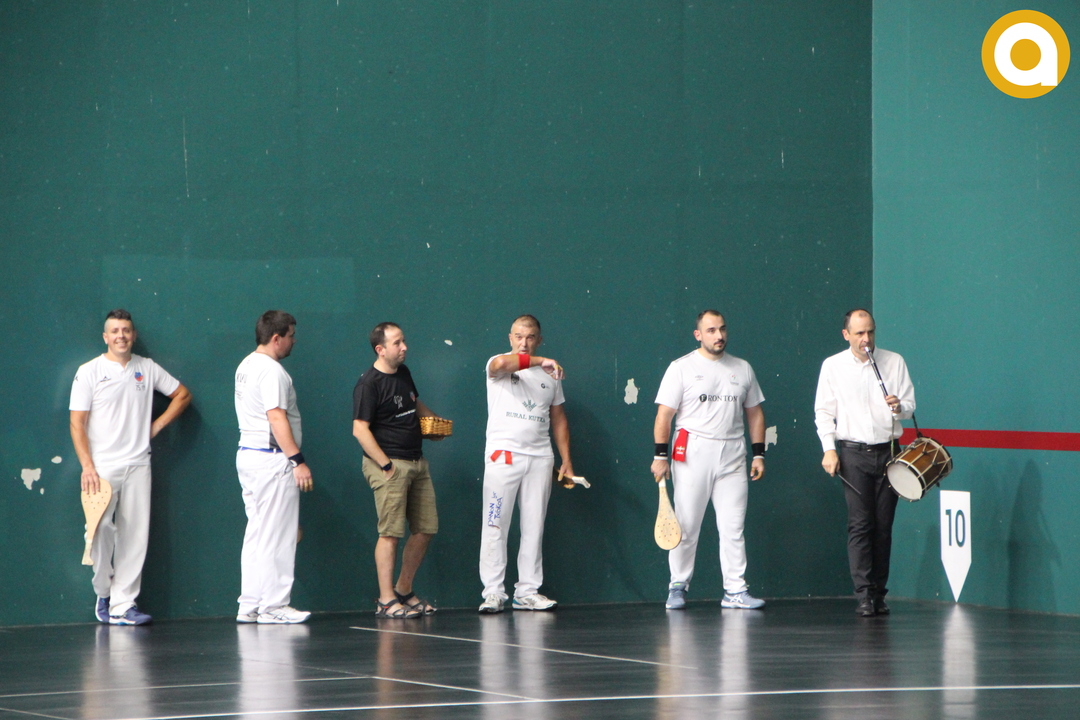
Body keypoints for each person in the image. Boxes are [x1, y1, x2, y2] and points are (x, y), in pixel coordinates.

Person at [70, 309, 192, 625]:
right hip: (101, 468)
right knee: (99, 532)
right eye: (115, 331)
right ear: (105, 337)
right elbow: (77, 422)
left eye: (126, 330)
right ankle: (104, 591)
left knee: (135, 536)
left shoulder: (146, 368)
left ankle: (123, 605)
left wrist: (156, 426)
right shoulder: (89, 371)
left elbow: (182, 395)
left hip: (139, 464)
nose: (121, 336)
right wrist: (87, 466)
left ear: (133, 335)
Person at [650, 310, 767, 611]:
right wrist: (660, 456)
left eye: (722, 329)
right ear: (698, 335)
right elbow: (664, 415)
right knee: (687, 525)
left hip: (733, 454)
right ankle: (677, 585)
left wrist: (759, 454)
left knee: (733, 527)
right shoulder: (681, 368)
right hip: (692, 453)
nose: (719, 335)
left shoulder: (742, 368)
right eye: (711, 330)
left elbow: (754, 413)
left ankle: (735, 590)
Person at [814, 308, 915, 616]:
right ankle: (863, 595)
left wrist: (899, 406)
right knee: (860, 524)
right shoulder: (833, 366)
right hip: (853, 453)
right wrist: (829, 449)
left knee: (883, 526)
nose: (866, 339)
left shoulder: (894, 361)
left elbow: (910, 407)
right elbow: (823, 412)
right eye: (859, 333)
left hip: (890, 451)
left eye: (870, 331)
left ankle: (879, 594)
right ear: (846, 335)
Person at [478, 315, 574, 614]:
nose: (524, 342)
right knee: (495, 522)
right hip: (503, 456)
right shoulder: (499, 364)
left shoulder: (551, 376)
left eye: (530, 337)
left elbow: (558, 418)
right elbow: (500, 364)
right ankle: (493, 593)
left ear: (539, 340)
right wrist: (540, 360)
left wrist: (566, 459)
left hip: (540, 458)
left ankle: (527, 592)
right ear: (510, 338)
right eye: (518, 336)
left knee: (534, 526)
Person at [352, 322, 443, 619]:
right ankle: (386, 600)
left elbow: (414, 404)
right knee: (390, 533)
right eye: (397, 343)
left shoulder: (403, 373)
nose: (404, 347)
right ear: (380, 349)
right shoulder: (368, 384)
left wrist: (434, 424)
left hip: (417, 461)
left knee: (425, 528)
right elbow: (360, 430)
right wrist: (386, 465)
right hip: (389, 465)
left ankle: (403, 590)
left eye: (403, 341)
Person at [234, 310, 313, 624]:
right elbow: (276, 416)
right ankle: (273, 606)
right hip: (272, 460)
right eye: (291, 336)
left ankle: (250, 604)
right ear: (276, 338)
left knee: (257, 534)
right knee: (278, 535)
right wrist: (297, 460)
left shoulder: (245, 365)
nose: (294, 341)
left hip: (248, 457)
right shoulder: (272, 371)